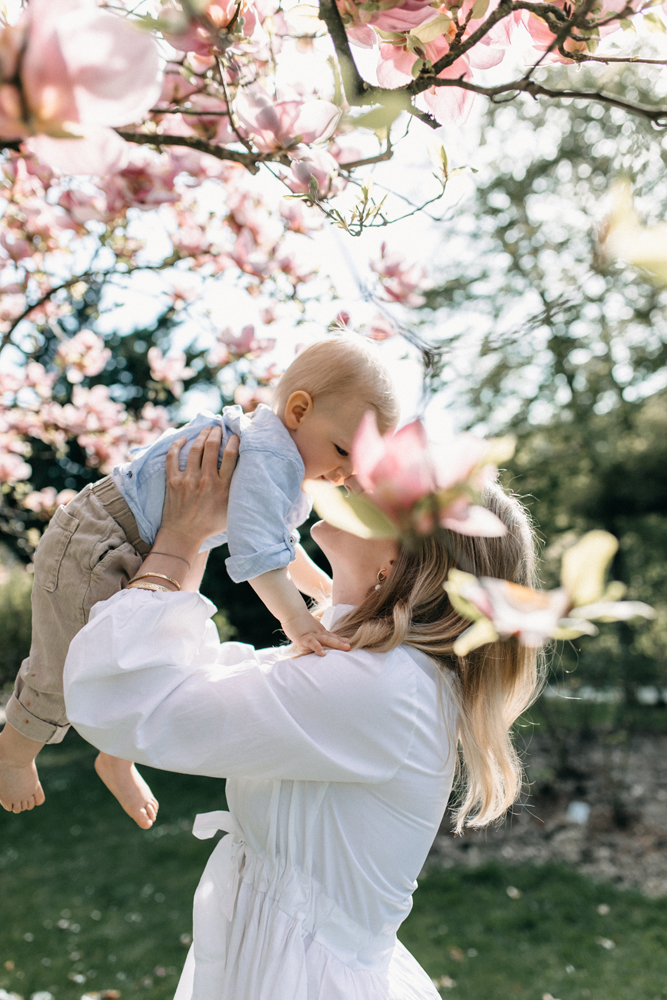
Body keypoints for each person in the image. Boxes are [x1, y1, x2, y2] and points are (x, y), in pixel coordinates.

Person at [62, 422, 542, 1000]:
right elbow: (202, 680)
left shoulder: (382, 688)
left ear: (400, 561)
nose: (358, 477)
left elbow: (128, 700)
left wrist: (180, 539)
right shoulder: (366, 666)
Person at [0, 336, 398, 827]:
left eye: (356, 466)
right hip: (100, 533)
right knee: (64, 660)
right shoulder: (273, 456)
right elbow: (257, 553)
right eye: (342, 451)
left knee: (157, 648)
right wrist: (297, 620)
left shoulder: (287, 465)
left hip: (148, 540)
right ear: (298, 410)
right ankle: (13, 754)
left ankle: (117, 754)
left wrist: (325, 592)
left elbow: (278, 545)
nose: (344, 475)